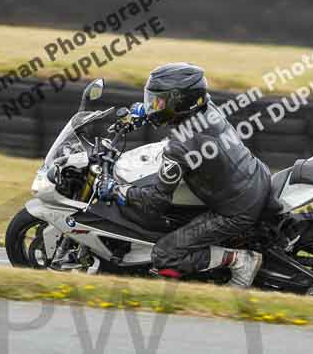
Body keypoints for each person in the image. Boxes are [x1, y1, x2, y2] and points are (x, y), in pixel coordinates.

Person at [98, 62, 272, 287]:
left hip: (236, 211)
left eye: (158, 101)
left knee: (165, 255)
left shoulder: (180, 147)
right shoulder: (207, 108)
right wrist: (146, 112)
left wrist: (119, 191)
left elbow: (155, 201)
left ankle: (240, 261)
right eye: (152, 99)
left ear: (180, 102)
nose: (153, 105)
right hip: (252, 177)